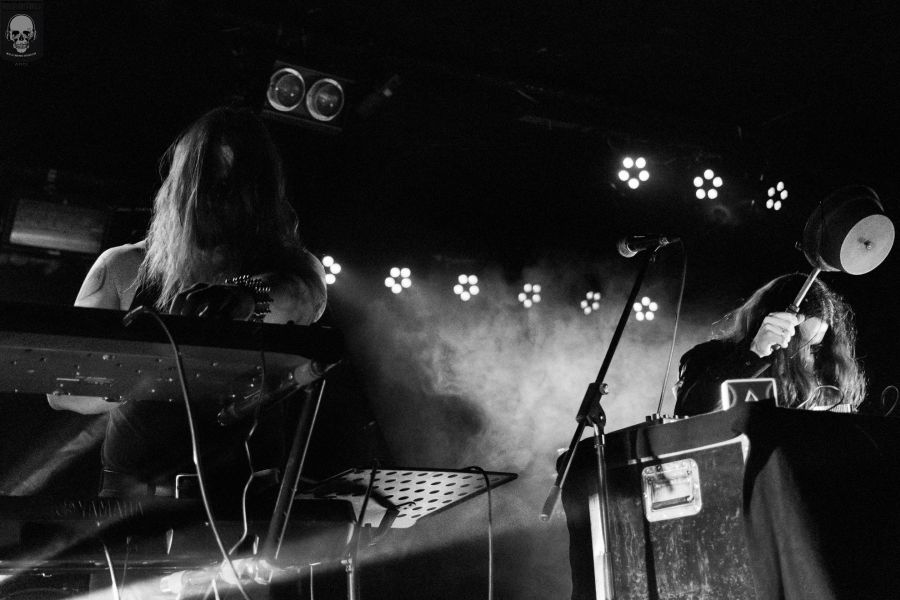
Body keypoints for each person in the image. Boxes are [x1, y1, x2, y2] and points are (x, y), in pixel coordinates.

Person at [71, 106, 327, 498]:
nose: (223, 202)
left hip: (245, 500)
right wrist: (148, 370)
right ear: (183, 187)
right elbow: (63, 391)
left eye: (238, 188)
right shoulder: (123, 264)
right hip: (134, 498)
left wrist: (244, 299)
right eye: (212, 185)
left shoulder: (293, 267)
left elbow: (301, 298)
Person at [674, 273, 866, 416]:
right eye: (798, 345)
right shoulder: (709, 355)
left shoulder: (823, 372)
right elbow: (688, 415)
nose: (807, 356)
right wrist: (754, 353)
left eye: (814, 347)